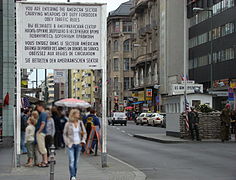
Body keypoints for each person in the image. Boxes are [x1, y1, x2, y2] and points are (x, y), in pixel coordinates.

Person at [63, 109, 87, 180]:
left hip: (78, 144)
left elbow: (84, 132)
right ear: (73, 115)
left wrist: (83, 140)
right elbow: (64, 134)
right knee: (72, 161)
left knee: (76, 162)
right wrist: (67, 143)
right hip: (71, 145)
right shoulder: (68, 124)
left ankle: (74, 176)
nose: (79, 115)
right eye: (77, 113)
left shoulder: (80, 123)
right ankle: (72, 176)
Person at [35, 102, 48, 167]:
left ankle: (45, 161)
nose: (37, 108)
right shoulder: (44, 114)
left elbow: (43, 123)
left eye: (37, 107)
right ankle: (44, 161)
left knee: (42, 147)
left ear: (41, 106)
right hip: (42, 132)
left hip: (41, 132)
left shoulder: (43, 114)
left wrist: (39, 131)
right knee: (41, 147)